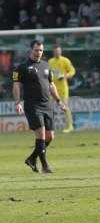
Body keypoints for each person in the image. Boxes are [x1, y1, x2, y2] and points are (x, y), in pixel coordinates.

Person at [12, 40, 66, 173]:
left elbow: (51, 85)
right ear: (31, 50)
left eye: (41, 50)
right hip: (32, 105)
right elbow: (16, 85)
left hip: (47, 105)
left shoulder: (46, 66)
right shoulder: (22, 67)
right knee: (41, 134)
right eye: (36, 50)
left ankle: (31, 159)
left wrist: (59, 101)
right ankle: (45, 166)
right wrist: (18, 102)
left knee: (50, 136)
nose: (38, 53)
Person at [48, 45, 76, 133]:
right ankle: (49, 127)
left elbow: (72, 71)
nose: (57, 52)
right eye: (56, 51)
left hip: (63, 88)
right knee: (48, 107)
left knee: (64, 107)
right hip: (53, 88)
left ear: (61, 52)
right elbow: (48, 73)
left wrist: (65, 76)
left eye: (58, 51)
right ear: (53, 52)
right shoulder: (50, 61)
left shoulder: (65, 60)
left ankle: (70, 126)